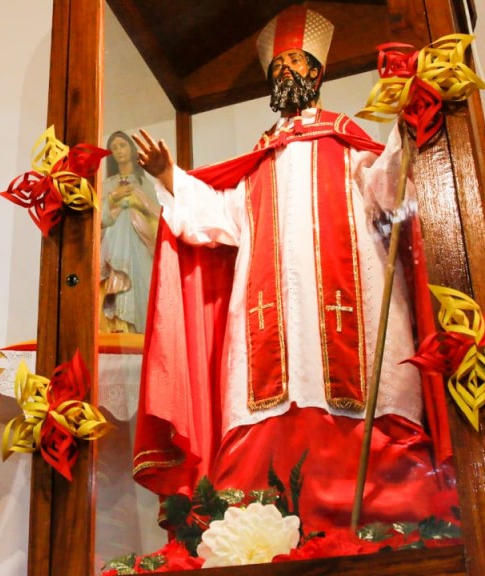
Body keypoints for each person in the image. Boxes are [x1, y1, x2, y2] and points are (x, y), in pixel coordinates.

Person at [130, 6, 456, 537]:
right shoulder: (259, 164)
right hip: (268, 330)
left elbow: (391, 191)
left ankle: (395, 522)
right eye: (278, 67)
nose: (287, 73)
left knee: (372, 408)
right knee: (263, 435)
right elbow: (215, 221)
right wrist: (170, 176)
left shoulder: (350, 149)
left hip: (356, 314)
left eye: (296, 64)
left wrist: (407, 121)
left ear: (317, 73)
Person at [100, 131, 160, 334]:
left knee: (143, 284)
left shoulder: (144, 183)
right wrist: (113, 197)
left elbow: (159, 215)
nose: (119, 151)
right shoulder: (108, 185)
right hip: (114, 245)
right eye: (114, 147)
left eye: (123, 145)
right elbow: (98, 219)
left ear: (132, 149)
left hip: (141, 240)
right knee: (115, 286)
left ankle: (141, 333)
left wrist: (139, 200)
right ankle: (120, 327)